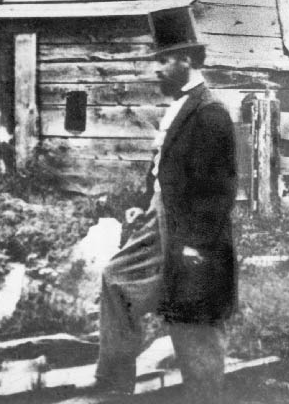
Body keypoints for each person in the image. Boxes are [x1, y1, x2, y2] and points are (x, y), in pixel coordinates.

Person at [92, 42, 238, 403]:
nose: (155, 69)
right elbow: (165, 170)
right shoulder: (181, 107)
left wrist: (196, 244)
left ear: (186, 60)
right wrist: (144, 205)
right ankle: (114, 389)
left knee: (194, 322)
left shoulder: (210, 112)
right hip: (161, 220)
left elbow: (218, 189)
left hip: (193, 233)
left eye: (163, 60)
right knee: (115, 280)